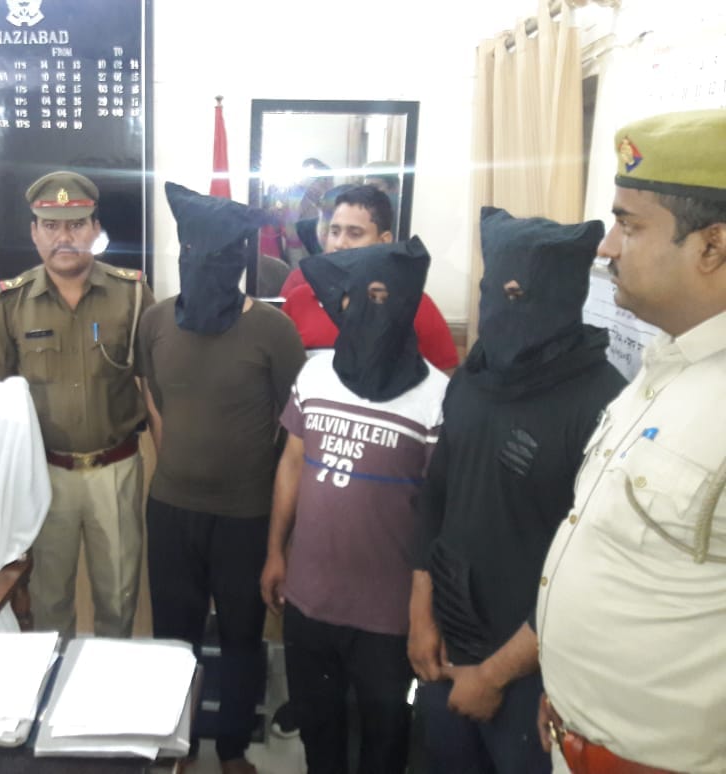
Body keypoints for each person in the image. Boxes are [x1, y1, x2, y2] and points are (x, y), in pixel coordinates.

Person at [536, 110, 726, 773]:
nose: (607, 248)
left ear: (711, 246)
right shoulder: (665, 363)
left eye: (630, 225)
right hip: (575, 739)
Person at [408, 207, 625, 773]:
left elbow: (590, 573)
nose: (499, 307)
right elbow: (436, 494)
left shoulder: (604, 404)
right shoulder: (474, 376)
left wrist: (494, 675)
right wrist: (420, 611)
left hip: (530, 674)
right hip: (448, 644)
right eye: (492, 289)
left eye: (516, 294)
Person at [261, 238, 449, 773]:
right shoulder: (315, 375)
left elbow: (438, 513)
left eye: (381, 296)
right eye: (353, 297)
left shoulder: (437, 396)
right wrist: (275, 551)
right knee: (319, 733)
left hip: (388, 614)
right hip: (309, 597)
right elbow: (292, 464)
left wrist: (424, 612)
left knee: (384, 741)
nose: (363, 308)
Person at [139, 182, 306, 774]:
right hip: (171, 508)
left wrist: (272, 519)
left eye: (218, 256)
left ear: (240, 259)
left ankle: (233, 749)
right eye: (194, 254)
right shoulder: (155, 321)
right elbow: (155, 401)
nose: (205, 267)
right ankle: (177, 748)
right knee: (172, 639)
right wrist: (181, 466)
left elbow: (294, 426)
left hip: (246, 515)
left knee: (241, 637)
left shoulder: (274, 332)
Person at [0, 170, 153, 638]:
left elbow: (153, 386)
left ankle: (110, 682)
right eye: (51, 226)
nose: (64, 237)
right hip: (44, 474)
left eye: (76, 225)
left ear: (95, 229)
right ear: (34, 232)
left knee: (119, 598)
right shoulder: (10, 303)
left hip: (116, 471)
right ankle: (52, 681)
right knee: (48, 602)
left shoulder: (133, 295)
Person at [280, 185, 459, 372]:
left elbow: (446, 378)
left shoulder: (415, 305)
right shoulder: (298, 301)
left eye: (355, 234)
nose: (340, 244)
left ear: (383, 241)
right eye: (334, 232)